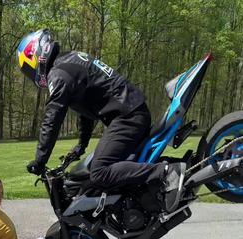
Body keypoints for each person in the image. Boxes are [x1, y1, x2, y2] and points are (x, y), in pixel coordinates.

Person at [17, 29, 185, 213]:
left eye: (27, 68)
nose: (30, 73)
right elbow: (87, 111)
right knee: (114, 169)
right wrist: (81, 145)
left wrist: (40, 160)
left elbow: (52, 117)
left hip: (128, 117)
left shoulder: (58, 75)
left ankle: (167, 172)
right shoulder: (69, 61)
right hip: (131, 111)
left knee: (99, 171)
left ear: (36, 56)